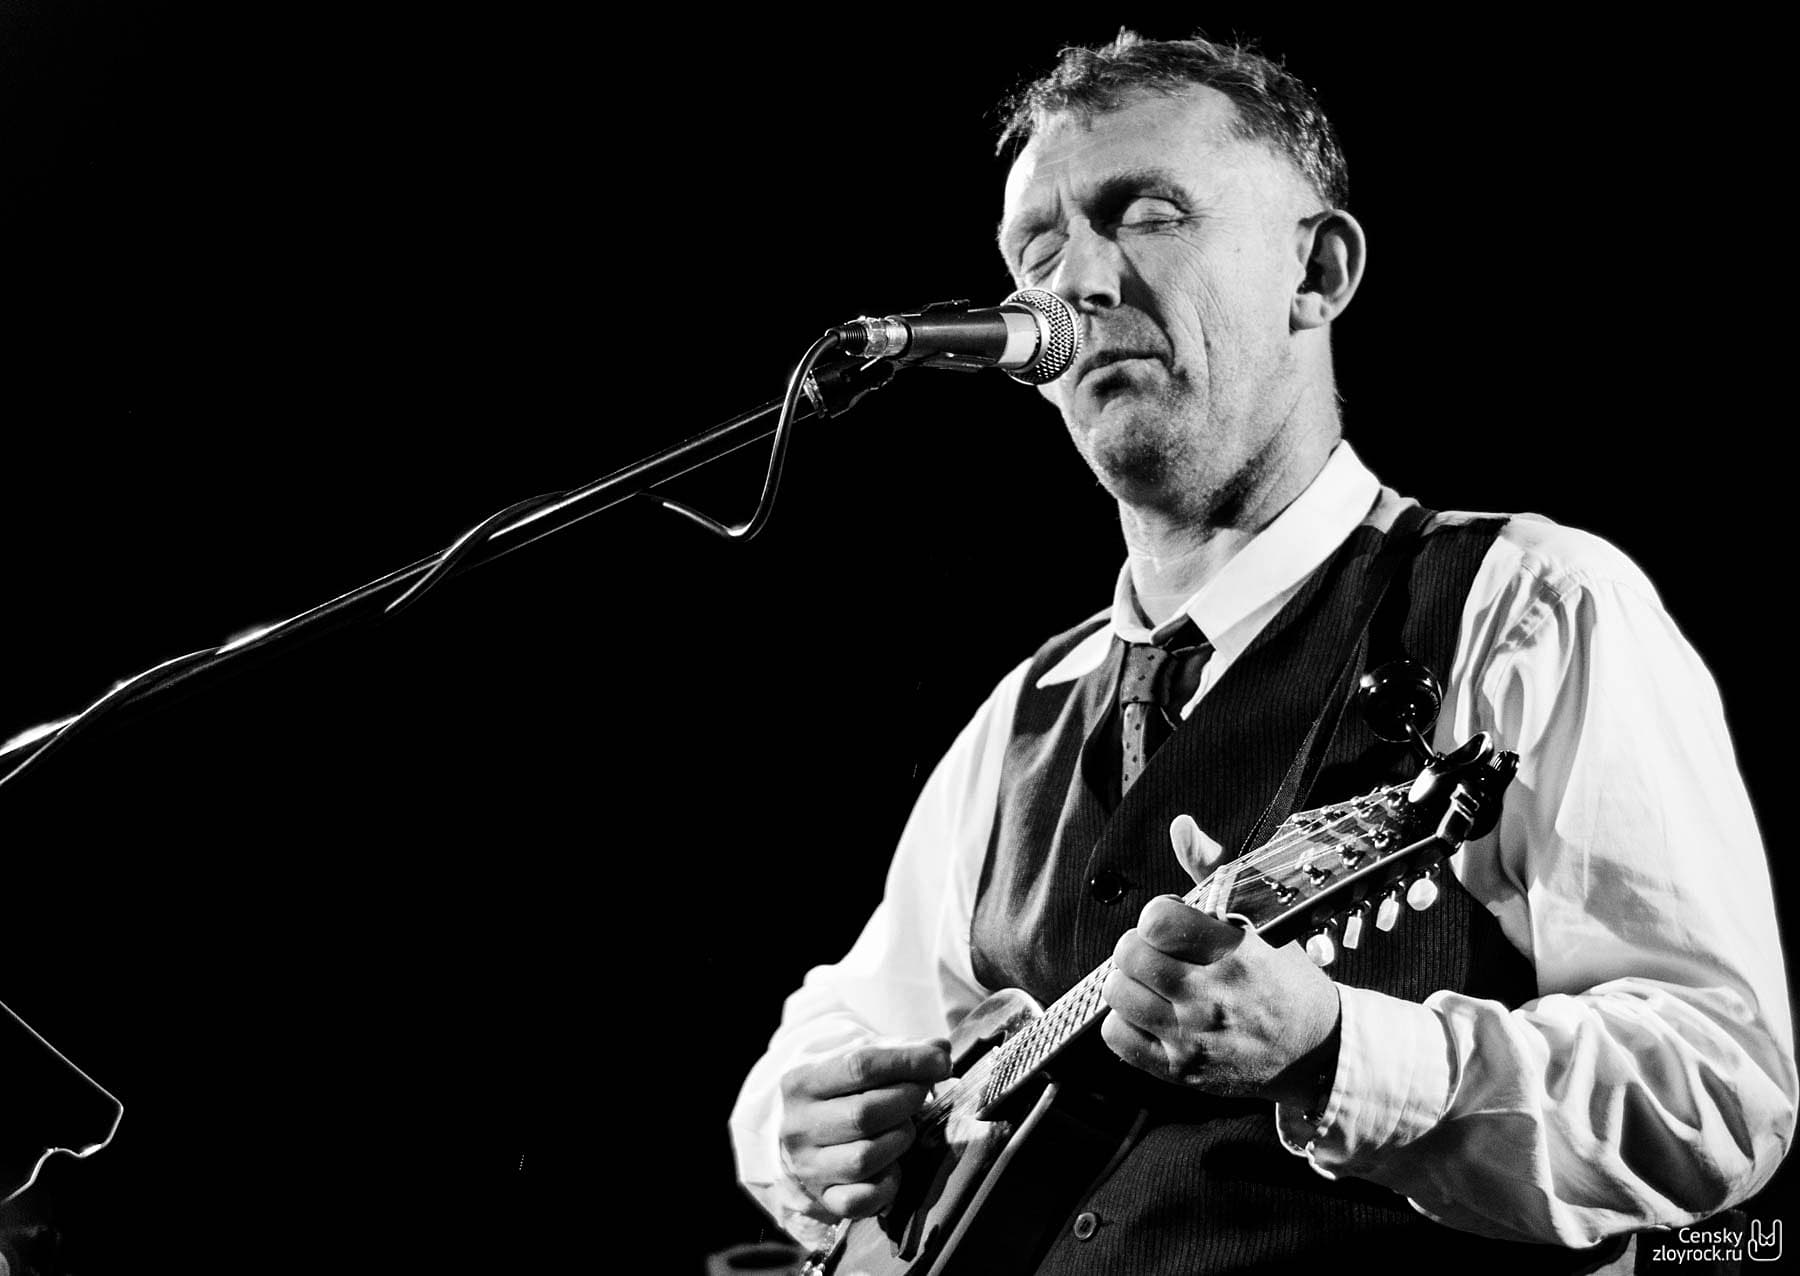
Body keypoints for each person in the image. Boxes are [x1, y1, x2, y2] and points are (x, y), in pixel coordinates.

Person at [729, 30, 1795, 1272]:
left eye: (1147, 213)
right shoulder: (1025, 713)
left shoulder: (1529, 605)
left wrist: (1338, 1048)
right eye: (1037, 249)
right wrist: (814, 1130)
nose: (1076, 280)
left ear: (1318, 270)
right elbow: (821, 1052)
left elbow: (1716, 1091)